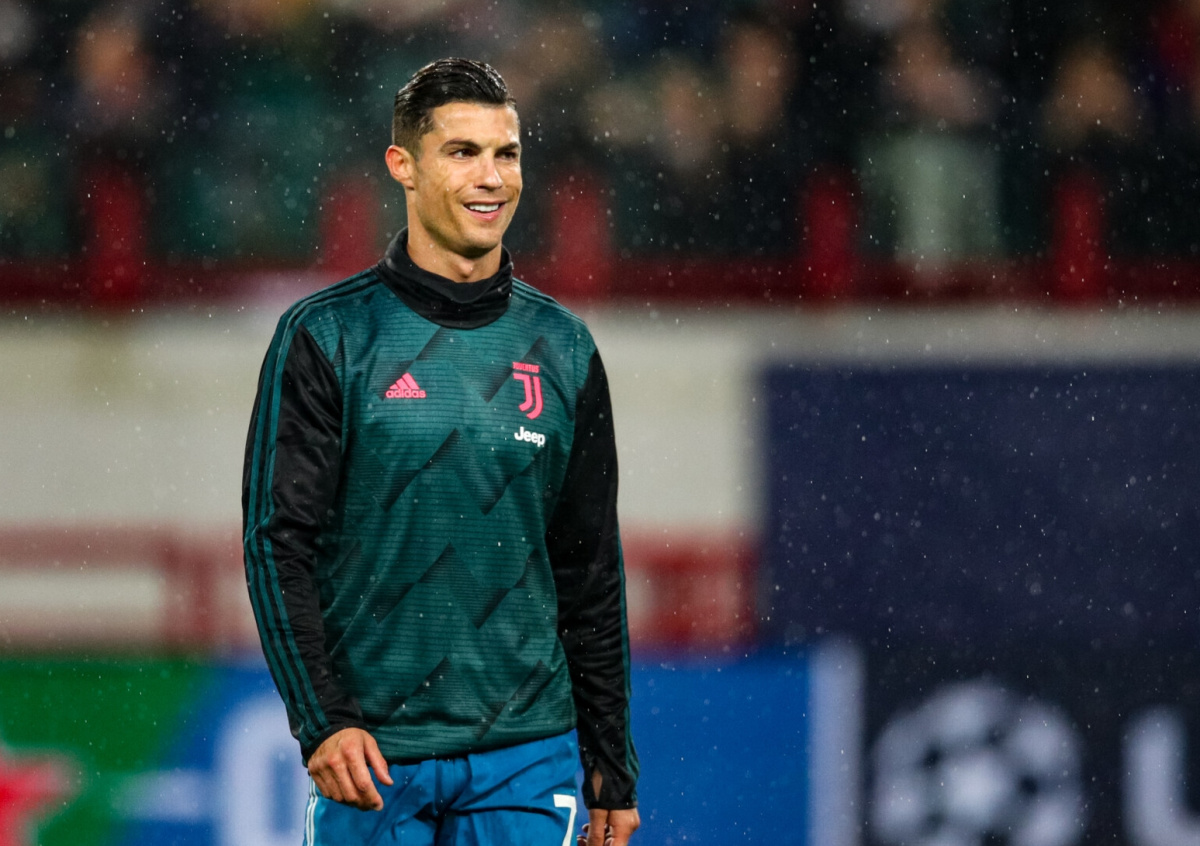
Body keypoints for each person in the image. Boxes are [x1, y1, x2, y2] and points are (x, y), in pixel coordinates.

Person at [242, 57, 639, 846]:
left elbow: (589, 571)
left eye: (506, 154)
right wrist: (323, 721)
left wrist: (610, 762)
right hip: (375, 756)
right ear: (404, 166)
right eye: (463, 152)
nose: (491, 177)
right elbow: (278, 544)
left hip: (528, 755)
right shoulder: (327, 336)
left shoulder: (563, 348)